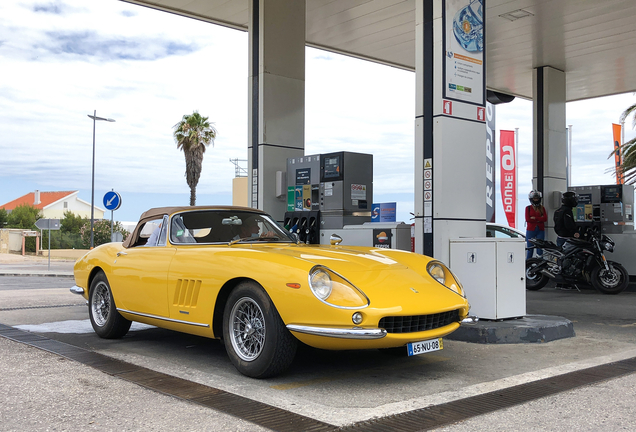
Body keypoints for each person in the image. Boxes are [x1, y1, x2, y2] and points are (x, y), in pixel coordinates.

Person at [525, 190, 547, 259]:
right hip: (531, 230)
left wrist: (535, 218)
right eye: (534, 198)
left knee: (540, 249)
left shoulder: (542, 208)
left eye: (537, 198)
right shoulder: (528, 208)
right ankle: (528, 266)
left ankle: (540, 266)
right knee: (530, 249)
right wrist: (539, 218)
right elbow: (528, 219)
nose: (536, 200)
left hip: (540, 230)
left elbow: (545, 218)